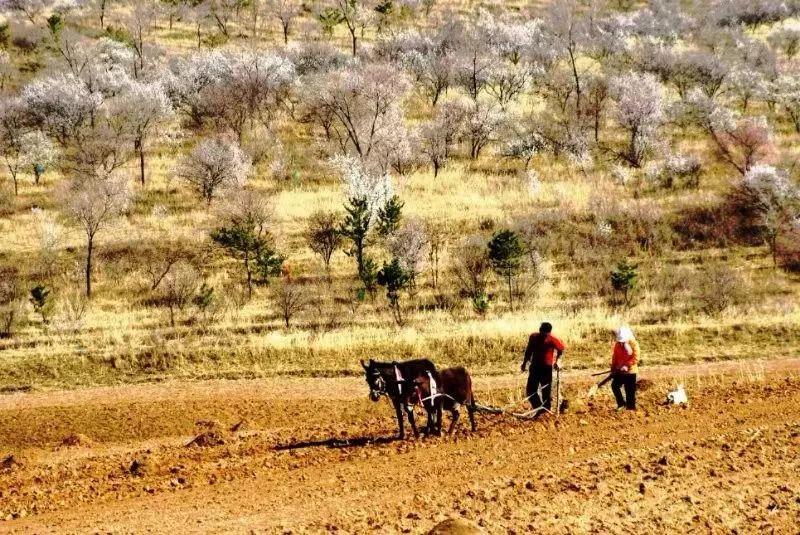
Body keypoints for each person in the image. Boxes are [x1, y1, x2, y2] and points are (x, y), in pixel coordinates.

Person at [521, 322, 565, 413]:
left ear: (549, 332)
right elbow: (528, 350)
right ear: (539, 330)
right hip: (535, 367)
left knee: (546, 392)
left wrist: (557, 361)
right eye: (542, 331)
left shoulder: (552, 339)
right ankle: (539, 409)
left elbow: (561, 349)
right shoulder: (533, 337)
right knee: (530, 391)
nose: (543, 334)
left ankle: (545, 411)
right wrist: (524, 363)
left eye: (545, 333)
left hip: (546, 368)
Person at [611, 326, 639, 411]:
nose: (621, 342)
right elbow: (615, 357)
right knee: (614, 386)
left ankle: (630, 409)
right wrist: (613, 368)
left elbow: (636, 358)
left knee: (629, 391)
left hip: (630, 371)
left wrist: (627, 365)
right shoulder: (617, 344)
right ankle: (621, 404)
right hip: (620, 371)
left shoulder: (634, 344)